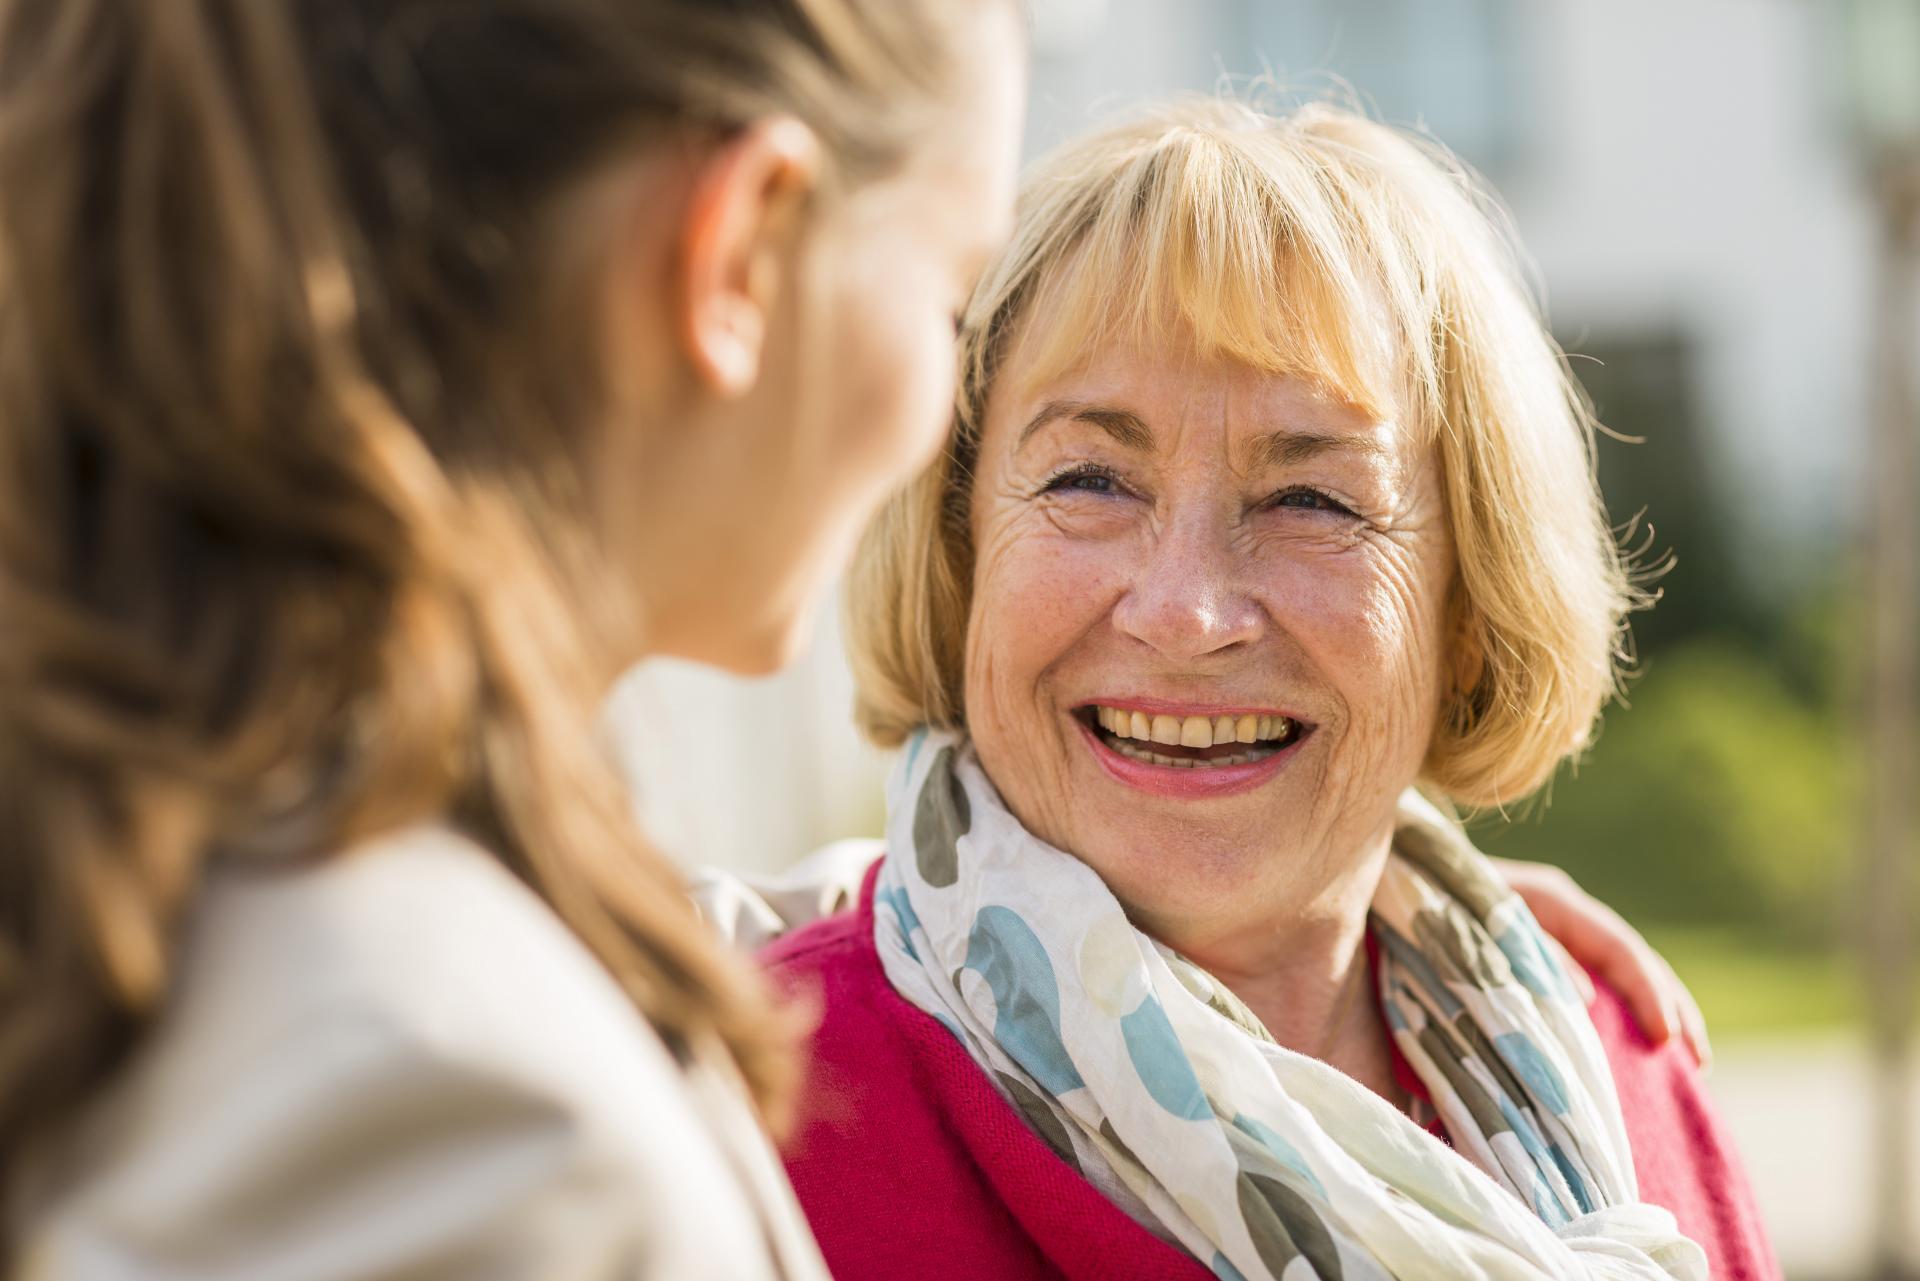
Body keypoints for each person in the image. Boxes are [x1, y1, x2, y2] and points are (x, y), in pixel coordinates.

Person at [0, 0, 1025, 1275]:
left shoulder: (181, 854)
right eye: (950, 299)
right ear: (744, 249)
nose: (940, 420)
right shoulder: (466, 1127)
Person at [763, 97, 1780, 1280]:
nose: (1186, 612)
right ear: (959, 554)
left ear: (1468, 608)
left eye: (1312, 501)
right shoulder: (765, 1106)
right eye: (1091, 478)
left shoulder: (1624, 1071)